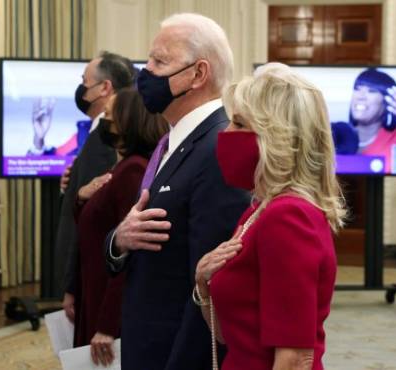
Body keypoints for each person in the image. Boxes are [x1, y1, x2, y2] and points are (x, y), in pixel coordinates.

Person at [104, 13, 250, 370]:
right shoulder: (171, 142)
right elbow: (139, 238)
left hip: (174, 355)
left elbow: (210, 287)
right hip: (146, 342)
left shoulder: (218, 149)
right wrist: (118, 241)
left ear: (198, 74)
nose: (146, 71)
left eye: (159, 61)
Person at [195, 63, 347, 370]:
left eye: (238, 124)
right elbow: (228, 336)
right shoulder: (258, 210)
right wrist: (203, 283)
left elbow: (294, 358)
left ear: (275, 138)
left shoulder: (288, 217)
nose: (225, 134)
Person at [73, 88, 168, 366]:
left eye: (109, 115)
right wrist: (80, 198)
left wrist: (107, 324)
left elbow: (129, 254)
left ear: (128, 121)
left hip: (108, 298)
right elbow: (96, 228)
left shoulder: (133, 171)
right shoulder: (123, 167)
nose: (104, 120)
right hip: (95, 288)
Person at [53, 51, 136, 321]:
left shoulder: (106, 139)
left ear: (104, 87)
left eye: (84, 81)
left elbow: (92, 218)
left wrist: (71, 285)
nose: (81, 88)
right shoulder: (100, 133)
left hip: (92, 273)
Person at [334, 68, 396, 171]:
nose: (360, 96)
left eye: (372, 91)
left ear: (387, 102)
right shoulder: (333, 134)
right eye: (357, 88)